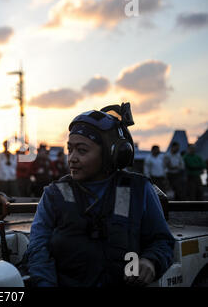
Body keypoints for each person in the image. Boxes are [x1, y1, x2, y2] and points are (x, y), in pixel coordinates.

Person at [26, 103, 175, 287]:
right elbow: (38, 248)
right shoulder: (54, 194)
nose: (72, 158)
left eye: (82, 150)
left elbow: (162, 241)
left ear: (111, 154)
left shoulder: (136, 189)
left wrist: (151, 261)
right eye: (69, 149)